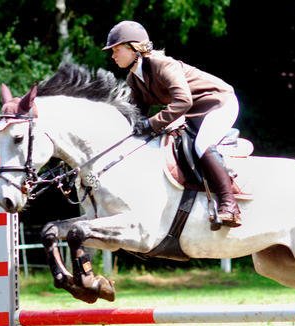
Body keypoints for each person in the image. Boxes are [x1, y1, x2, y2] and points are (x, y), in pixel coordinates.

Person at [103, 20, 242, 228]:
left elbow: (183, 101)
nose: (113, 55)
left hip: (219, 103)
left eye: (116, 49)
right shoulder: (134, 78)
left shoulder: (161, 64)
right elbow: (137, 116)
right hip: (194, 112)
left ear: (134, 48)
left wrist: (151, 124)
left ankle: (230, 205)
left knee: (201, 144)